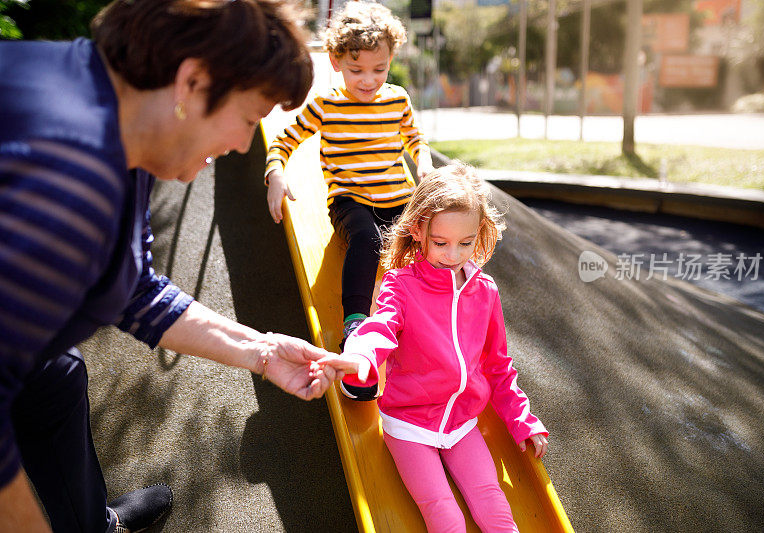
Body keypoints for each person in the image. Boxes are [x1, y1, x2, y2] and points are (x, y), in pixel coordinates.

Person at [0, 1, 362, 531]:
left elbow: (134, 289)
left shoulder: (122, 121)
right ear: (192, 81)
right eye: (247, 119)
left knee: (55, 376)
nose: (242, 144)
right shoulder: (71, 174)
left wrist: (261, 351)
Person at [337, 163, 550, 532]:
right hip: (409, 424)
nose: (453, 255)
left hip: (462, 423)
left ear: (479, 233)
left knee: (494, 502)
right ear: (418, 229)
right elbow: (381, 326)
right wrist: (362, 353)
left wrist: (521, 418)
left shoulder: (484, 292)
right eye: (441, 243)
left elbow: (499, 365)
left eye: (466, 243)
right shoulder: (401, 286)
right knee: (446, 515)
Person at [265, 0, 434, 348]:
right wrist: (276, 173)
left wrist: (425, 163)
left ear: (391, 62)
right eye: (357, 70)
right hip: (350, 202)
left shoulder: (398, 100)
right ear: (336, 61)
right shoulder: (326, 106)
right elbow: (283, 141)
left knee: (428, 238)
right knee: (368, 239)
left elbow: (416, 140)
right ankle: (355, 323)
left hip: (398, 199)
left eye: (380, 69)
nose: (369, 80)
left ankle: (431, 312)